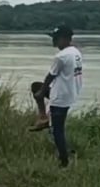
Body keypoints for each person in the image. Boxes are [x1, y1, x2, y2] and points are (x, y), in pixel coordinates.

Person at [28, 25, 83, 168]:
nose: (53, 42)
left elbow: (50, 76)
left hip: (60, 97)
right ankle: (43, 117)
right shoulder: (75, 52)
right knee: (36, 86)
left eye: (56, 39)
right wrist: (41, 92)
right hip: (70, 92)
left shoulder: (61, 56)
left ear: (64, 39)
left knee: (57, 130)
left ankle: (64, 161)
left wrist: (41, 93)